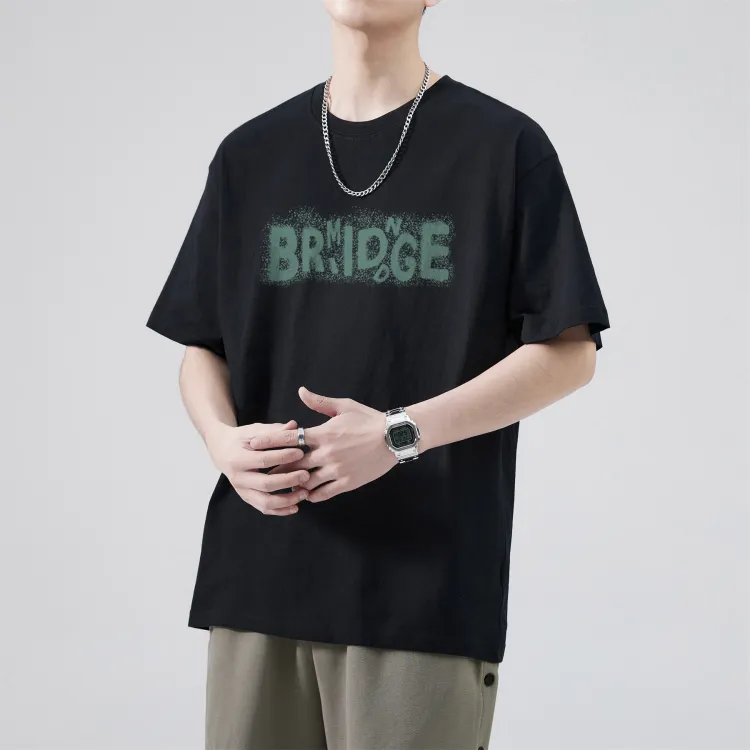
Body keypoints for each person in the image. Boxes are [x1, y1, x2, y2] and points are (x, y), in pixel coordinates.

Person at [146, 0, 610, 747]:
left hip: (420, 592)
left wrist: (400, 434)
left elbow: (569, 350)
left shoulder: (503, 148)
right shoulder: (250, 154)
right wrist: (220, 441)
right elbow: (203, 344)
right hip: (258, 575)